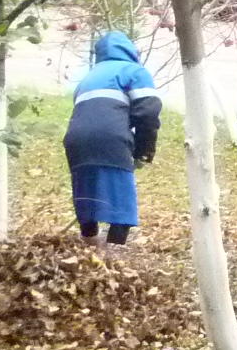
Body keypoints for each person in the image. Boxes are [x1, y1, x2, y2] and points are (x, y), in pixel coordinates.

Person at [63, 31, 162, 256]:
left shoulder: (88, 78)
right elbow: (148, 113)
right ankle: (114, 257)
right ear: (130, 51)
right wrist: (143, 152)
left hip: (76, 141)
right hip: (111, 139)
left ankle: (88, 251)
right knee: (120, 199)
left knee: (87, 194)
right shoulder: (134, 72)